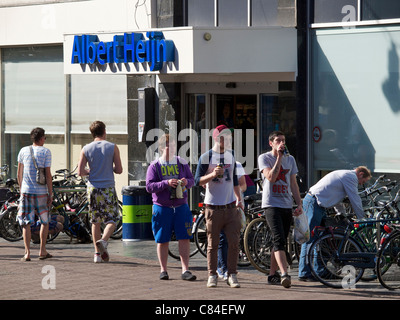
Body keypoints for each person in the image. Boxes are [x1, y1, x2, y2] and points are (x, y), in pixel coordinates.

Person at [298, 166, 371, 281]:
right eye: (363, 181)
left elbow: (336, 198)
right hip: (314, 202)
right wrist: (362, 219)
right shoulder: (351, 177)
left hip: (317, 204)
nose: (361, 184)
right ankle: (304, 273)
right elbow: (354, 198)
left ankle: (320, 271)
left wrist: (341, 214)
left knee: (322, 239)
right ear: (361, 174)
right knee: (310, 238)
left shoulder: (344, 175)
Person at [194, 124, 243, 288]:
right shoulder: (206, 157)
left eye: (230, 137)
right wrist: (213, 174)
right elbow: (196, 181)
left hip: (230, 207)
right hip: (213, 208)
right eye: (226, 137)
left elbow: (235, 179)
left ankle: (232, 274)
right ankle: (212, 275)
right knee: (212, 244)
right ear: (217, 138)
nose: (229, 140)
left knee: (234, 243)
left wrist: (239, 198)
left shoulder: (232, 155)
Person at [146, 134, 197, 281]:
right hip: (162, 207)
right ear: (162, 148)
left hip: (181, 206)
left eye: (174, 145)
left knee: (184, 237)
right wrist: (166, 183)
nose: (173, 148)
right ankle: (163, 270)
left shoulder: (182, 163)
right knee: (162, 239)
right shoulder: (155, 166)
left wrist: (185, 182)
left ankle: (185, 270)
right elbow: (149, 187)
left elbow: (192, 180)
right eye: (169, 145)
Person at [258, 131, 303, 288]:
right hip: (271, 204)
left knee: (280, 241)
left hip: (286, 204)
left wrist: (299, 203)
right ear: (271, 143)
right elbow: (271, 177)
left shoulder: (290, 160)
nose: (281, 143)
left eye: (283, 140)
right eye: (278, 140)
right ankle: (284, 274)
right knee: (279, 240)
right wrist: (279, 157)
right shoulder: (264, 158)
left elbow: (293, 183)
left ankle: (272, 275)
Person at [77, 121, 123, 263]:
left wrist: (90, 171)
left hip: (93, 188)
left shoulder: (86, 148)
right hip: (108, 187)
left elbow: (80, 172)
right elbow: (119, 169)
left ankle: (97, 255)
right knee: (113, 219)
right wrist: (110, 168)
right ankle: (103, 241)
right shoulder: (112, 147)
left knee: (95, 221)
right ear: (104, 131)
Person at [17, 127, 53, 261]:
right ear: (42, 138)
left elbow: (19, 174)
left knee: (26, 222)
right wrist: (50, 193)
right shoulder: (46, 152)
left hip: (26, 191)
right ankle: (42, 250)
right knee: (45, 221)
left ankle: (27, 253)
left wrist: (21, 189)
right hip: (41, 193)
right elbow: (48, 175)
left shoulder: (23, 151)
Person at [217, 161, 247, 281]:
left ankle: (226, 267)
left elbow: (244, 185)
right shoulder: (212, 164)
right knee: (222, 238)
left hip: (235, 205)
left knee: (233, 239)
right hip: (219, 205)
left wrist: (235, 191)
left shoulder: (237, 165)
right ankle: (223, 268)